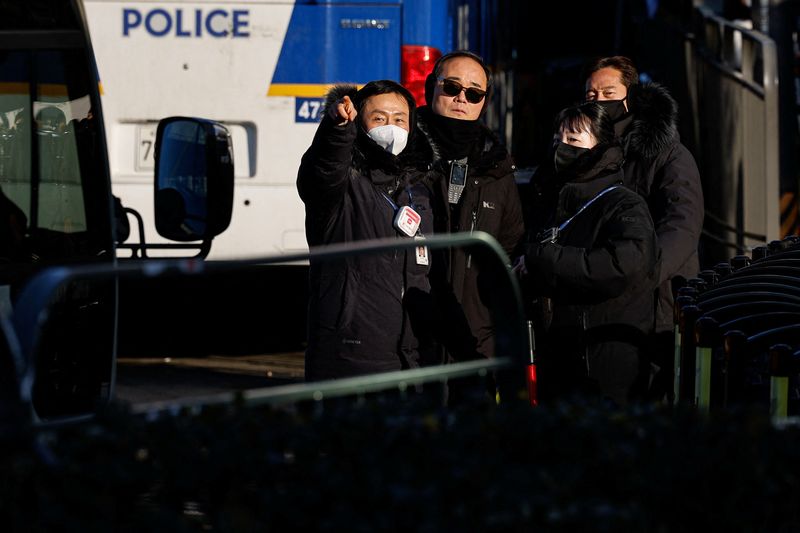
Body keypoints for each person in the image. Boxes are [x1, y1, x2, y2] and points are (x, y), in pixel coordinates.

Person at [515, 102, 660, 406]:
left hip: (604, 362)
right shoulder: (549, 198)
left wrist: (544, 257)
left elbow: (623, 265)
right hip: (556, 357)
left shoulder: (623, 204)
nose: (562, 148)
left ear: (600, 147)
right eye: (558, 140)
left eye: (573, 140)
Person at [296, 80, 435, 381]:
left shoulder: (419, 187)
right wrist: (337, 131)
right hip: (350, 356)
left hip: (409, 356)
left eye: (400, 119)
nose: (391, 127)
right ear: (360, 123)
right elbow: (322, 170)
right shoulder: (344, 184)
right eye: (379, 118)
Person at [583, 55, 704, 402]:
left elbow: (683, 221)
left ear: (631, 97)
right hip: (599, 297)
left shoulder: (668, 155)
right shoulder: (580, 150)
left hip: (656, 300)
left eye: (608, 92)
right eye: (591, 96)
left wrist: (642, 272)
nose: (599, 102)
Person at [416, 50, 525, 365]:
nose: (461, 98)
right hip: (410, 331)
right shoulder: (402, 154)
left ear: (484, 103)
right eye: (451, 87)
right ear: (431, 88)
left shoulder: (497, 168)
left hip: (473, 337)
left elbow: (509, 247)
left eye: (474, 93)